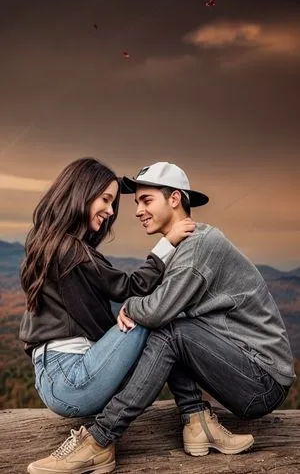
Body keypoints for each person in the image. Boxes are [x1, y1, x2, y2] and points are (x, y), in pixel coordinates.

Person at [27, 162, 295, 474]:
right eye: (134, 202)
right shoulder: (186, 248)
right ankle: (197, 422)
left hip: (261, 380)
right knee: (172, 325)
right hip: (244, 368)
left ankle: (99, 440)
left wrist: (131, 307)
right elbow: (157, 305)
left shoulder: (197, 248)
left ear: (175, 199)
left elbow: (154, 311)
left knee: (168, 328)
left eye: (146, 200)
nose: (135, 211)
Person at [19, 158, 196, 418]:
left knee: (157, 316)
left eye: (112, 203)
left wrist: (128, 313)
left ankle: (193, 415)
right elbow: (130, 287)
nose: (111, 211)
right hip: (70, 377)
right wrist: (168, 243)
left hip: (60, 376)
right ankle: (195, 414)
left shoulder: (47, 241)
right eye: (105, 199)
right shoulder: (69, 249)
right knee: (163, 315)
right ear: (81, 192)